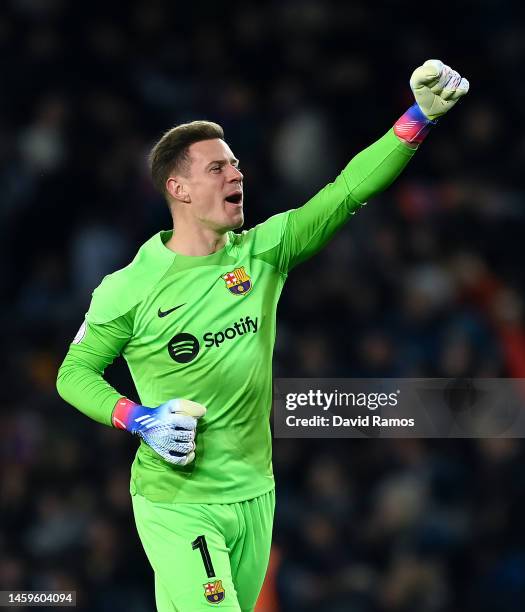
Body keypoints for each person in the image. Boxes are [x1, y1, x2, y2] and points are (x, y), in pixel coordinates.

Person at [57, 59, 468, 611]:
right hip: (179, 501)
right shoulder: (127, 288)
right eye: (218, 169)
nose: (237, 174)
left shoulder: (263, 253)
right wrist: (138, 418)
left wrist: (419, 117)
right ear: (177, 188)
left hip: (255, 493)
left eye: (236, 164)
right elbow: (72, 373)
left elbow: (346, 192)